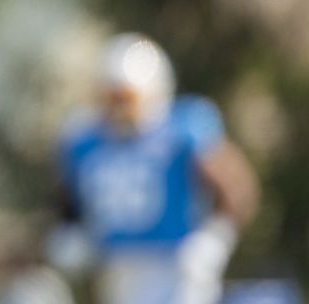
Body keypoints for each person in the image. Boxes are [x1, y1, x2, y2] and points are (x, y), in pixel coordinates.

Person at [47, 33, 261, 304]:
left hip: (174, 263)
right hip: (117, 265)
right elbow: (68, 200)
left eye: (126, 98)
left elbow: (236, 190)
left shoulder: (184, 130)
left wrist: (215, 239)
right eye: (111, 98)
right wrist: (72, 231)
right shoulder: (84, 141)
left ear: (156, 91)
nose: (119, 109)